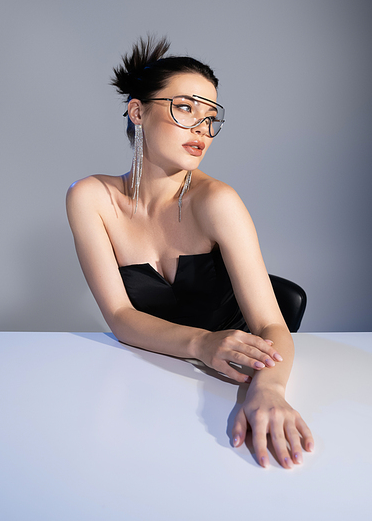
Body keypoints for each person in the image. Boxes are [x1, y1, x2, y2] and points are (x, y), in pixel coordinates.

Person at [66, 36, 313, 469]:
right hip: (154, 376)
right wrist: (201, 343)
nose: (202, 127)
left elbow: (273, 324)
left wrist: (269, 390)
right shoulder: (91, 197)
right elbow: (121, 319)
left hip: (235, 375)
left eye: (210, 116)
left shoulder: (217, 201)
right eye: (185, 108)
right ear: (138, 111)